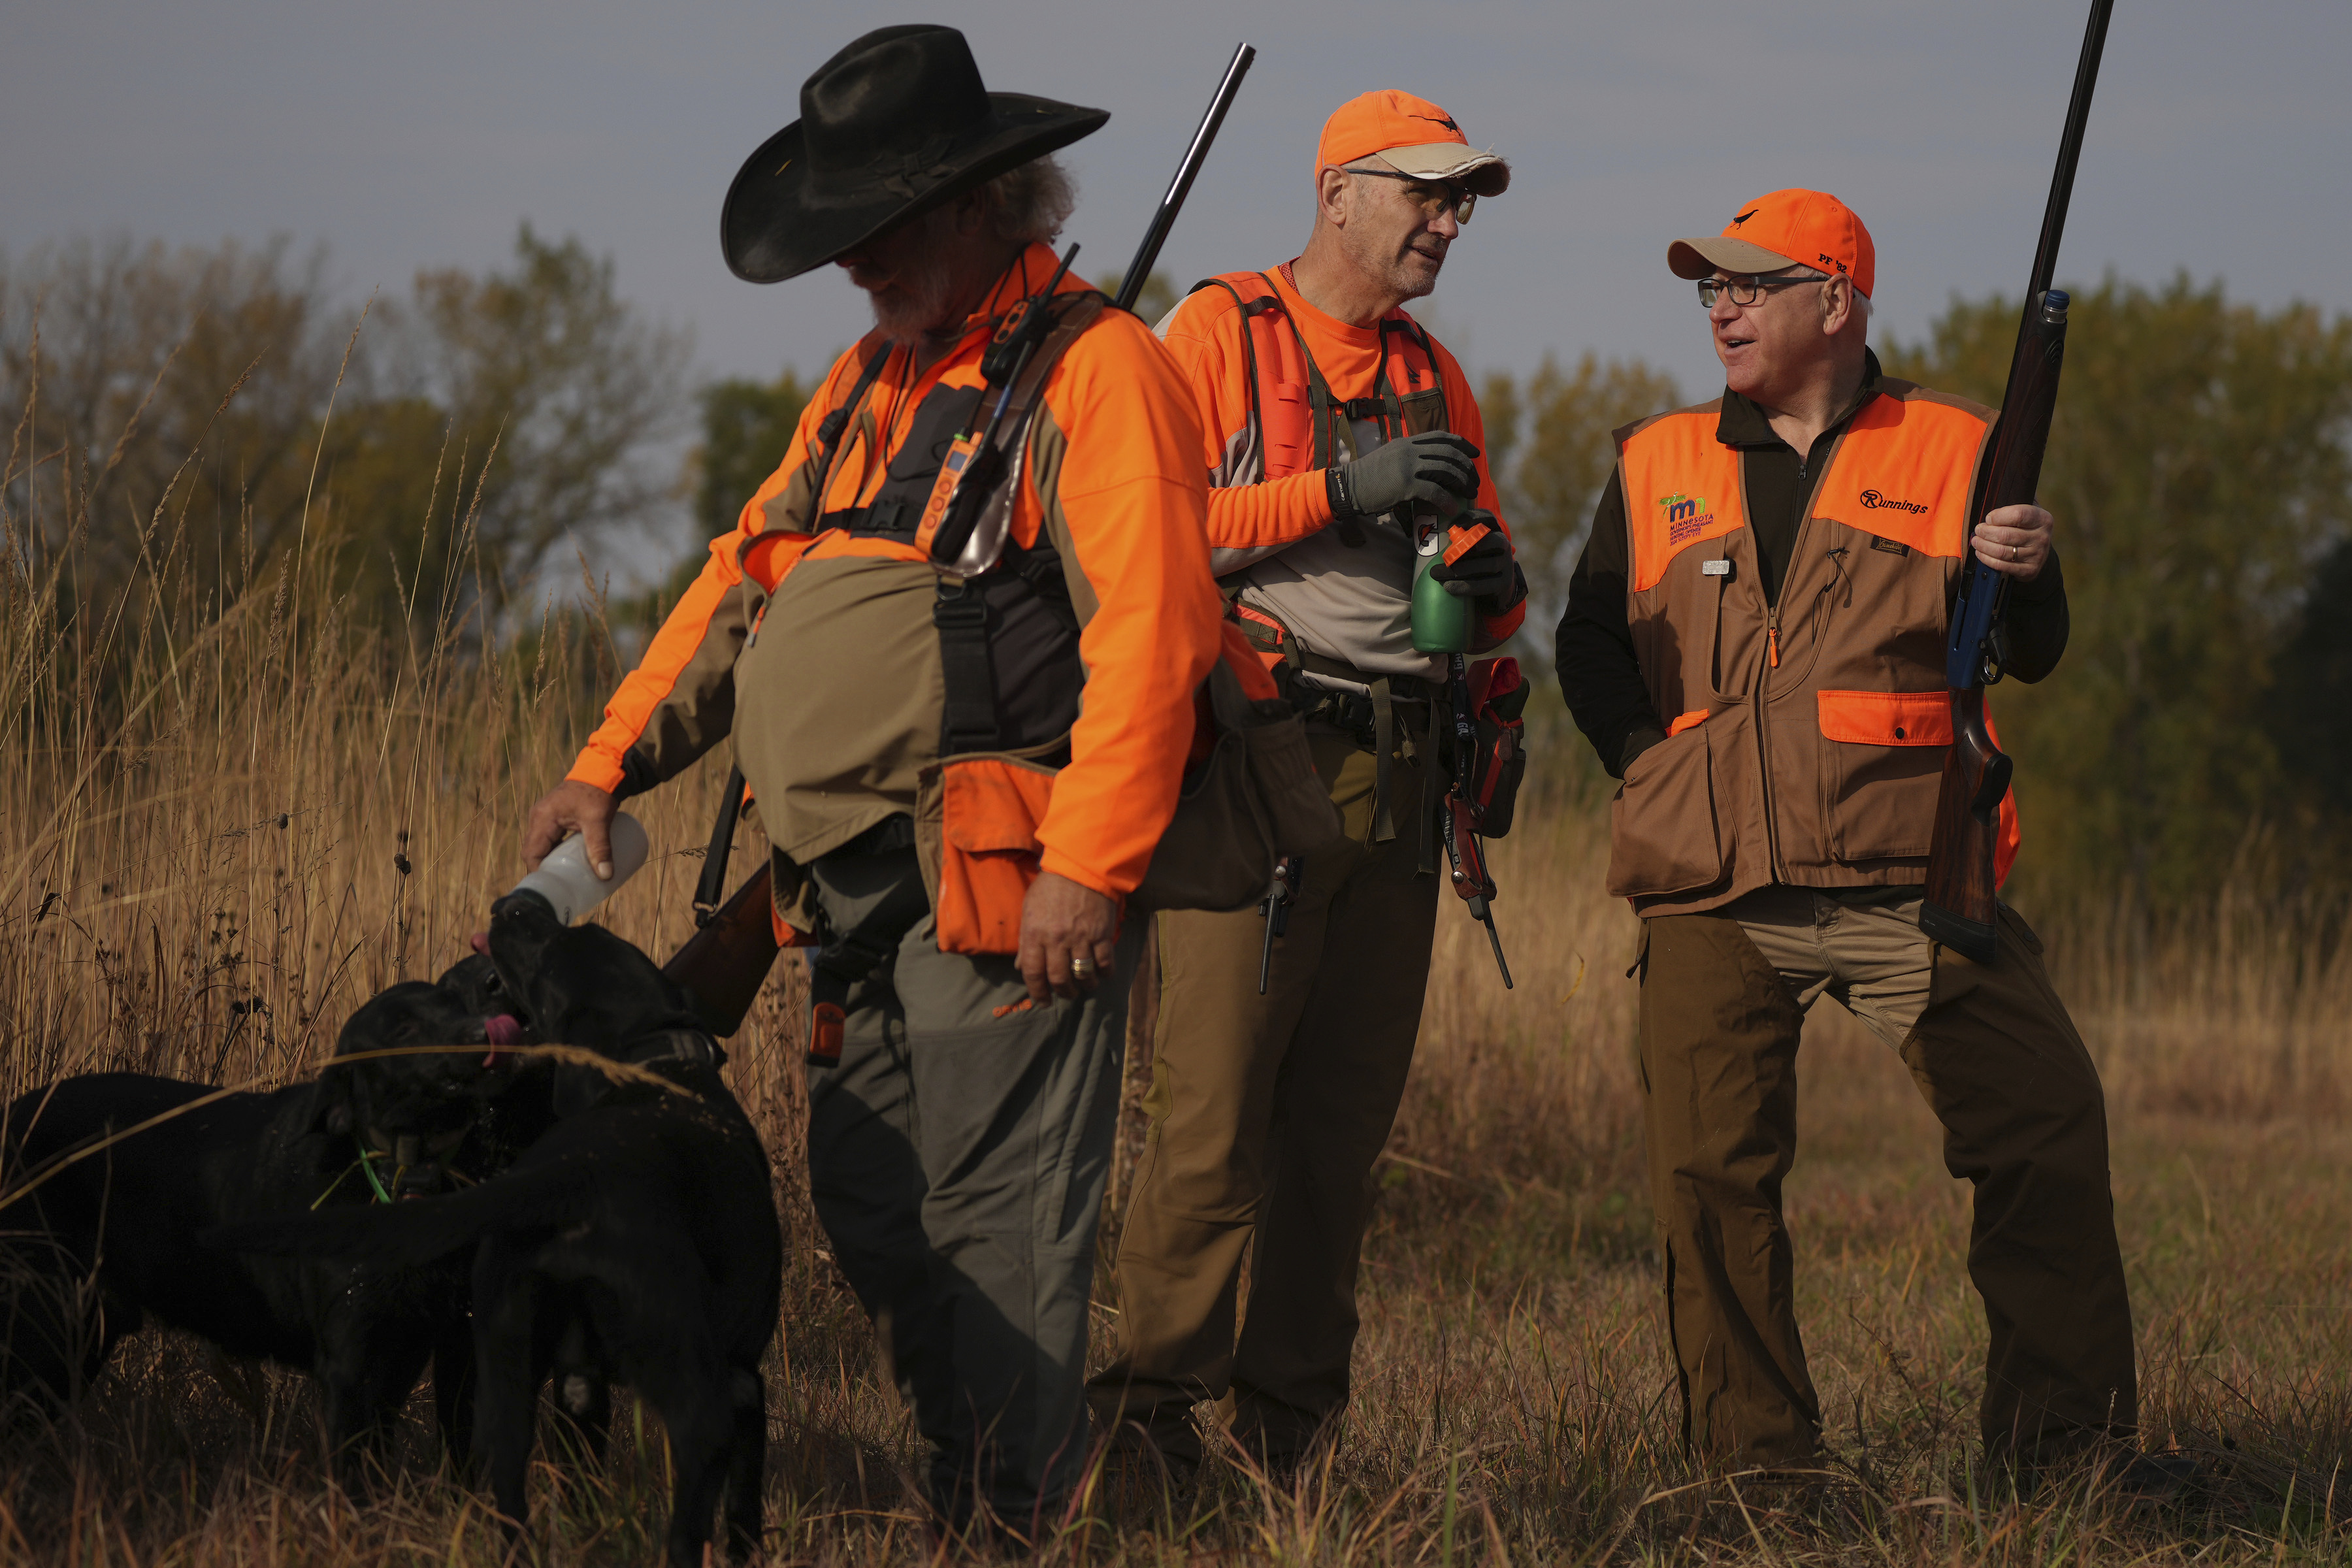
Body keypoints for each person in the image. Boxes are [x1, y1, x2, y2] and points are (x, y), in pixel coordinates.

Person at [517, 24, 1224, 1537]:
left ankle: (1015, 1518)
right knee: (877, 1206)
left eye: (876, 229)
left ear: (982, 204)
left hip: (1000, 888)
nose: (851, 265)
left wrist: (1088, 870)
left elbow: (1157, 640)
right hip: (836, 902)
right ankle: (973, 1485)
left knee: (1002, 1228)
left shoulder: (1102, 371)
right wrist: (607, 765)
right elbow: (738, 578)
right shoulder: (867, 380)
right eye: (837, 237)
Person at [1554, 188, 2140, 1479]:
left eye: (1751, 285)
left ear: (1837, 300)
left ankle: (2064, 1460)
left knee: (2043, 1130)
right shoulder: (1656, 460)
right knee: (1708, 1181)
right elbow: (1589, 641)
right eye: (1711, 287)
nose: (1722, 305)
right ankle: (1758, 1476)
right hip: (1711, 880)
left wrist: (2031, 573)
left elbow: (2023, 654)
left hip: (1905, 872)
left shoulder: (1954, 443)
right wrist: (1648, 764)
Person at [1088, 90, 1525, 1474]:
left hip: (1403, 787)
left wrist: (1502, 594)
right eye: (1428, 194)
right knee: (1210, 1125)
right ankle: (1151, 1430)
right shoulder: (1215, 331)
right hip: (1254, 775)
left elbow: (1477, 582)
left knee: (1335, 1142)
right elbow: (1144, 529)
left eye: (1464, 203)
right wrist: (1342, 491)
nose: (1449, 224)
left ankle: (1289, 1441)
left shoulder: (1437, 374)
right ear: (1339, 192)